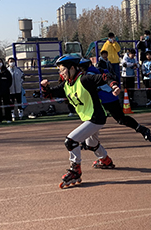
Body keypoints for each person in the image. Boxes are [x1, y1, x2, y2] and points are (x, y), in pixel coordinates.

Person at [40, 54, 121, 188]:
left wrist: (114, 86)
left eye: (63, 70)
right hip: (89, 118)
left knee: (71, 141)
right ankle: (105, 160)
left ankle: (75, 170)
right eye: (59, 70)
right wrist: (45, 87)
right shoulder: (67, 85)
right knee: (91, 143)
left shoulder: (84, 79)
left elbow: (105, 77)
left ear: (72, 68)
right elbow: (49, 94)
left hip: (96, 117)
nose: (61, 73)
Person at [80, 58, 151, 142]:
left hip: (106, 98)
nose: (81, 68)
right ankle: (141, 129)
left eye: (82, 66)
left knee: (97, 119)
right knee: (99, 119)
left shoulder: (89, 74)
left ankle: (85, 140)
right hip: (108, 97)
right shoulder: (97, 70)